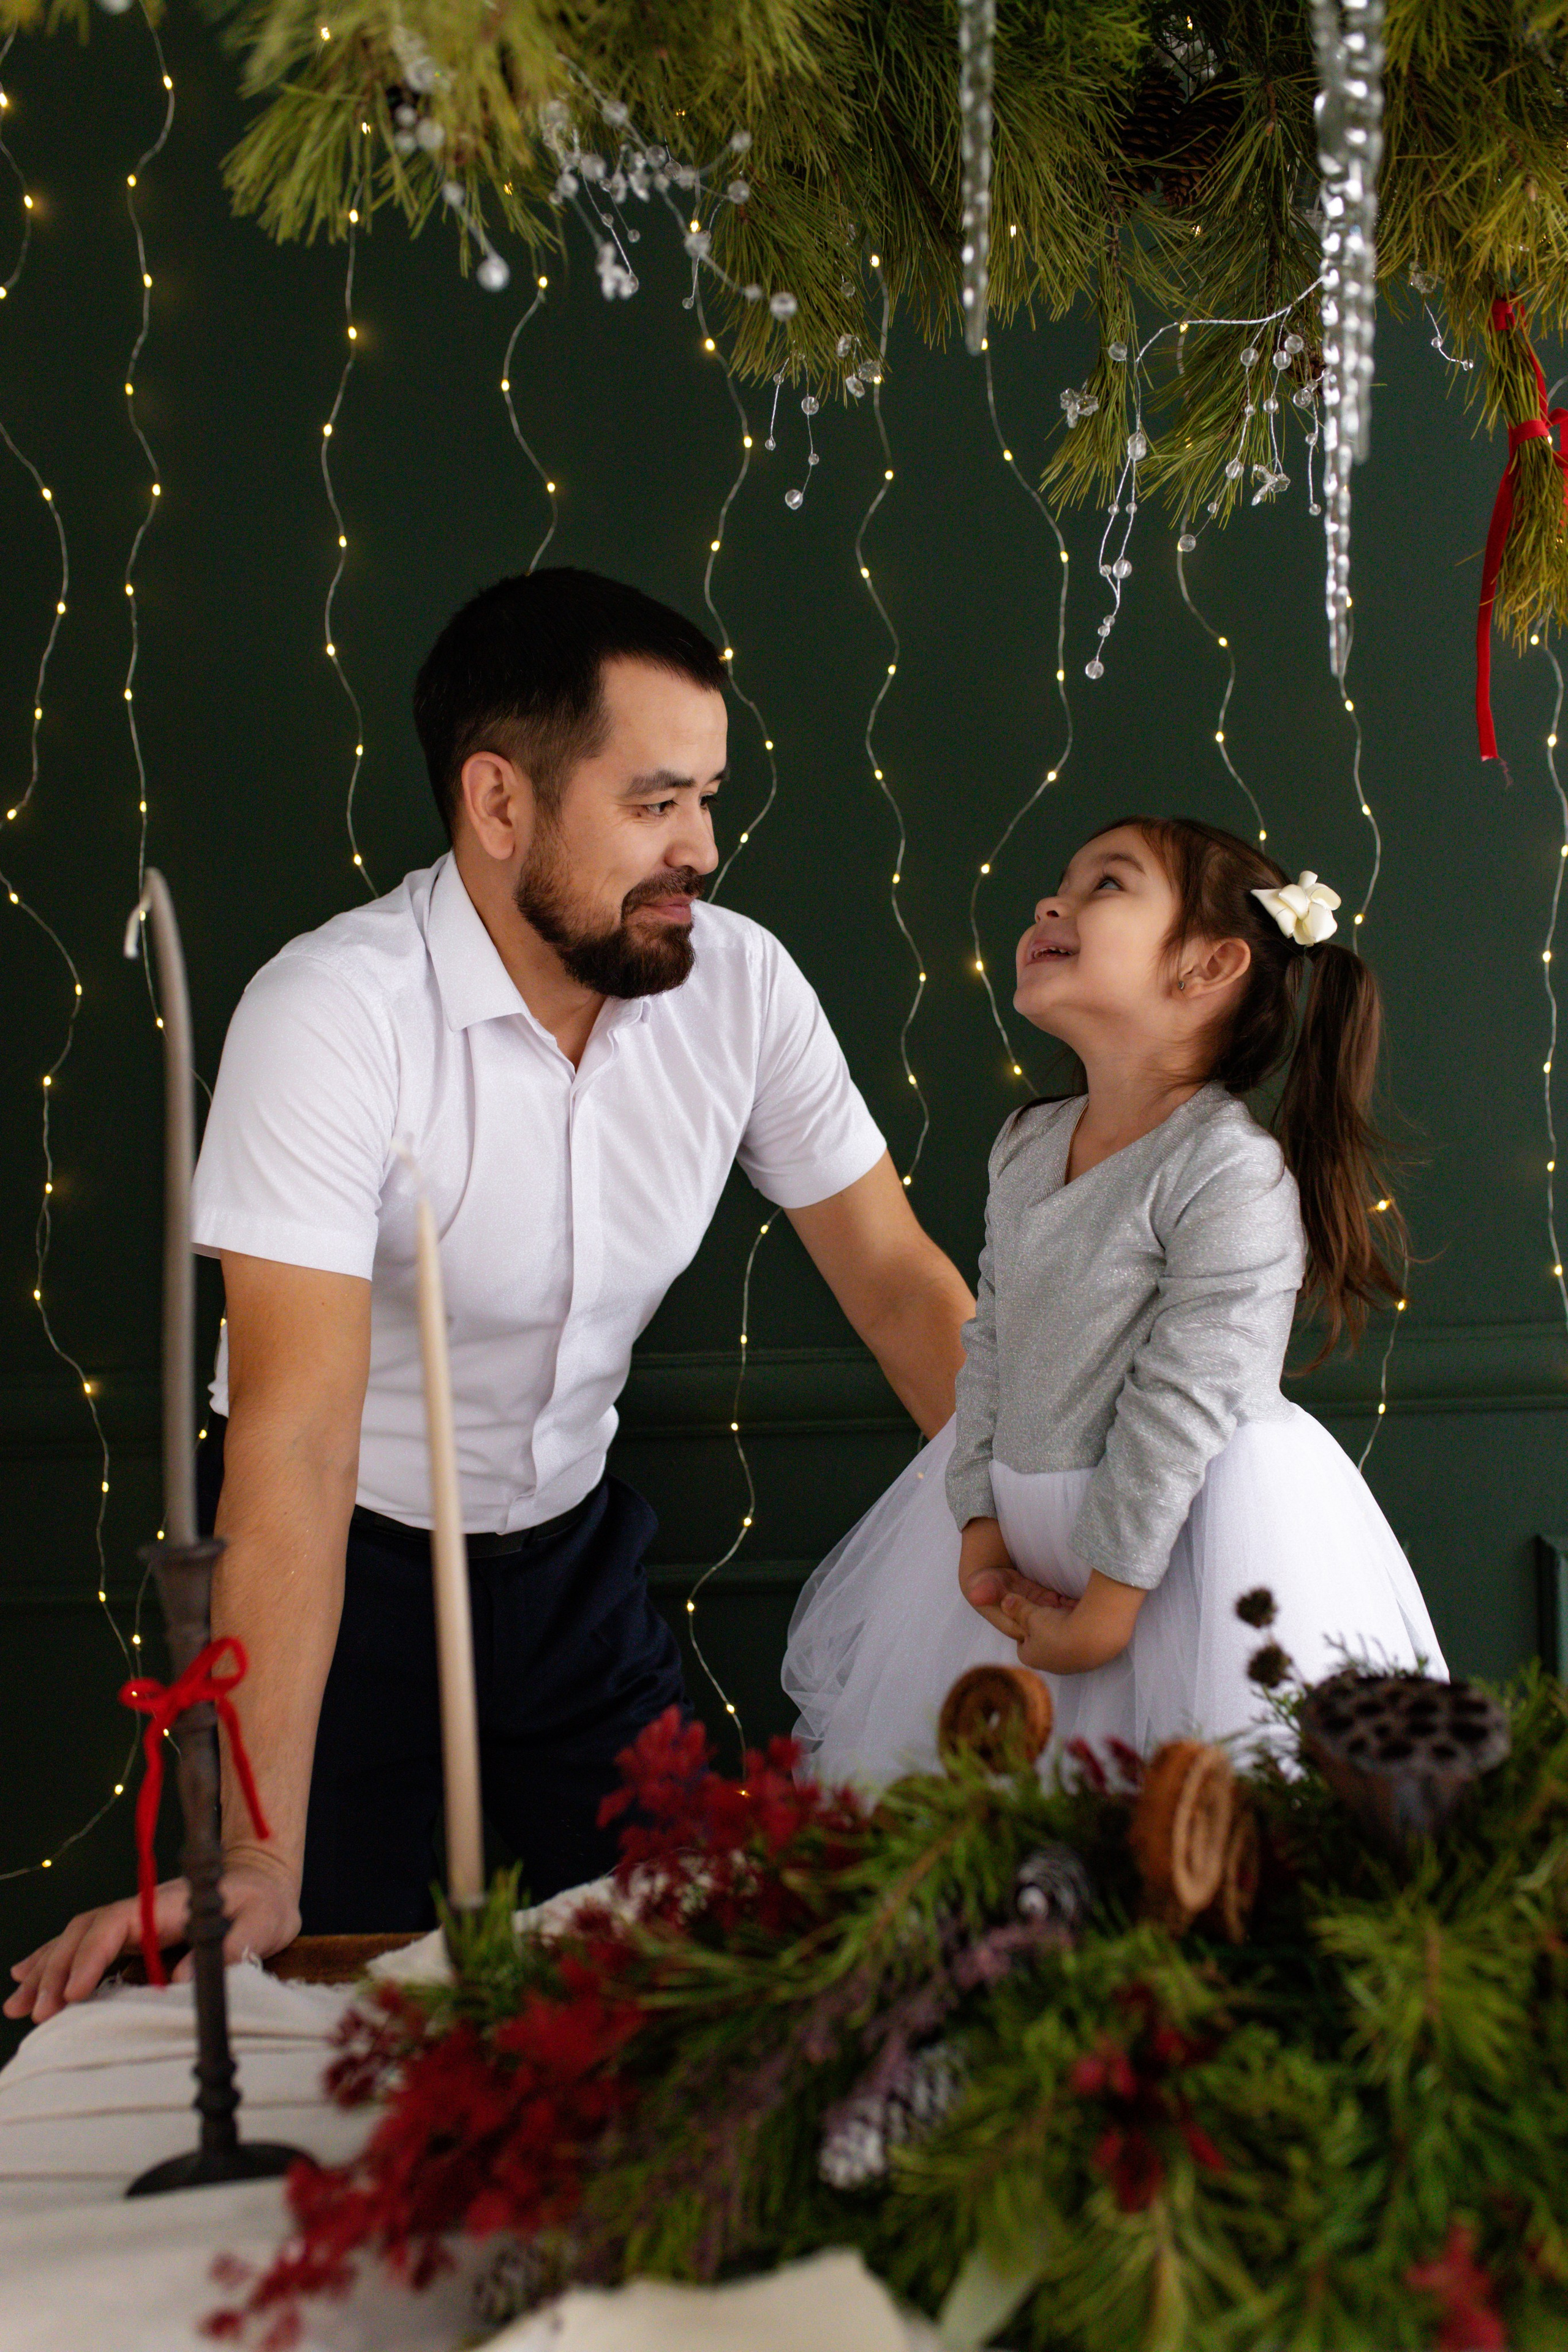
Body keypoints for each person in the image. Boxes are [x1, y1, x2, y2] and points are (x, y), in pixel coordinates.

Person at [8, 568, 974, 2021]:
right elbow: (293, 1438)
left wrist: (1047, 1515)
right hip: (346, 1580)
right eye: (655, 803)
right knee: (327, 2023)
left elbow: (898, 1286)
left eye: (708, 799)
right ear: (498, 802)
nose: (699, 849)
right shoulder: (329, 1014)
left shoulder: (743, 989)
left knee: (714, 1995)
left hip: (580, 1574)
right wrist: (260, 1845)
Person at [783, 814, 1445, 1789]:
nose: (1052, 901)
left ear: (1206, 967)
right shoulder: (1026, 1147)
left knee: (1182, 1820)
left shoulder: (1227, 1170)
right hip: (1024, 1547)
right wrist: (978, 1526)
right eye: (1061, 884)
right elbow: (994, 1344)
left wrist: (1110, 1602)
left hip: (1182, 1558)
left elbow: (1184, 1400)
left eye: (1107, 885)